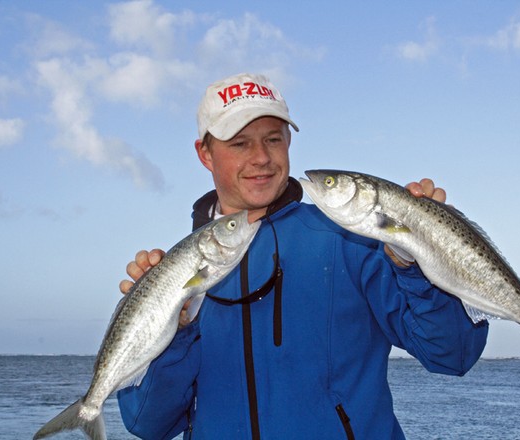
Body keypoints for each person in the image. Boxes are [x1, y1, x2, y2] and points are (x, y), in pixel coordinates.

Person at [116, 73, 489, 440]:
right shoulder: (175, 275)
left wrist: (418, 264)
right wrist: (174, 331)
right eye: (240, 143)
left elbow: (453, 355)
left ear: (289, 142)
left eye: (273, 139)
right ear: (205, 154)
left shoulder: (353, 239)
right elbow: (148, 423)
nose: (261, 157)